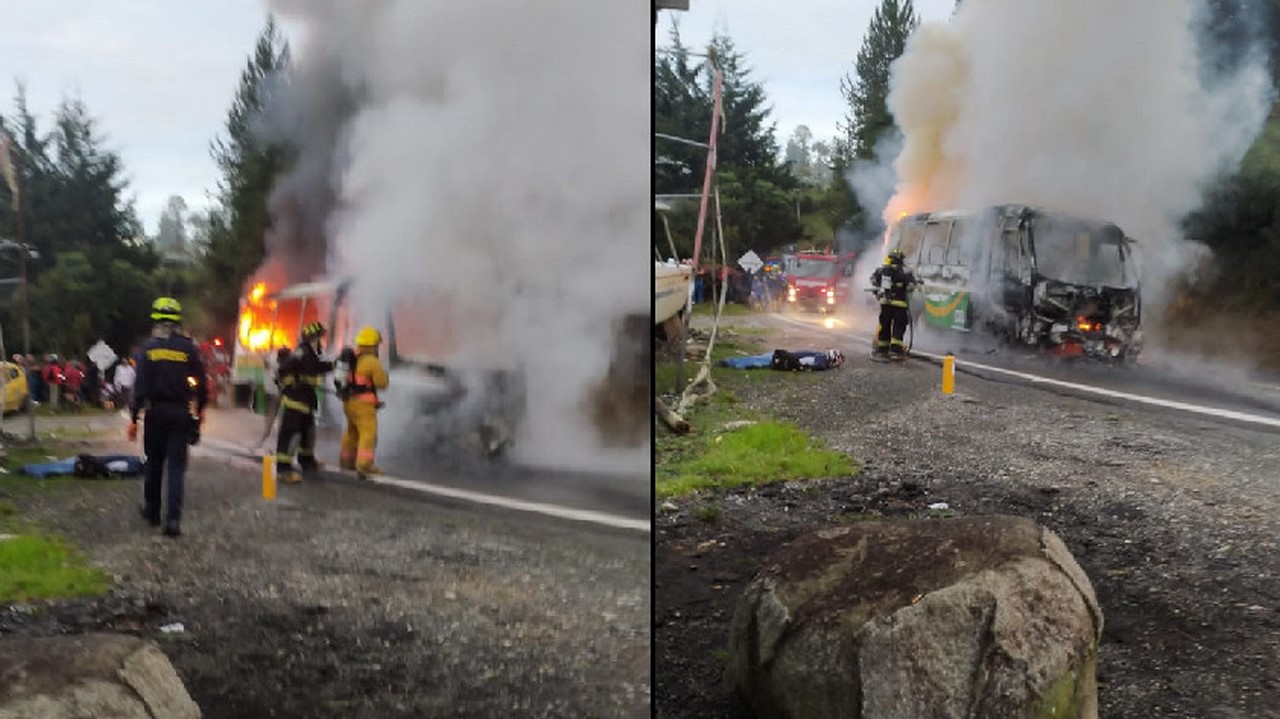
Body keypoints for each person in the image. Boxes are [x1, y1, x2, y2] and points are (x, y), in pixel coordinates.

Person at [128, 297, 207, 538]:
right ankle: (172, 521)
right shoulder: (188, 347)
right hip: (180, 413)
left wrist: (133, 417)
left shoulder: (148, 348)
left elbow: (140, 386)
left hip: (155, 413)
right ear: (177, 319)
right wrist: (201, 407)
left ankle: (152, 511)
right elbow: (201, 382)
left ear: (155, 318)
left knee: (153, 464)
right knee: (175, 468)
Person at [274, 321, 335, 483]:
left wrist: (333, 365)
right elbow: (283, 369)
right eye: (319, 337)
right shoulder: (302, 352)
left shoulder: (310, 354)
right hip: (296, 402)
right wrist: (290, 384)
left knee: (307, 434)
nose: (321, 341)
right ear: (313, 338)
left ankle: (307, 461)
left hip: (306, 401)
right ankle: (283, 470)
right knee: (290, 435)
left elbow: (315, 368)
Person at [339, 326, 389, 478]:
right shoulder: (371, 361)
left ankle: (346, 462)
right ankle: (364, 465)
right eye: (376, 346)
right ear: (372, 345)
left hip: (349, 402)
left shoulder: (352, 357)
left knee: (351, 432)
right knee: (368, 433)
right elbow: (382, 383)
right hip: (364, 406)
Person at [869, 249, 920, 361]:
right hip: (900, 305)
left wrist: (880, 290)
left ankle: (882, 350)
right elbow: (911, 286)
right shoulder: (906, 271)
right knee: (898, 327)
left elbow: (873, 280)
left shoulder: (882, 270)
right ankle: (895, 351)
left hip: (885, 304)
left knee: (885, 326)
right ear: (901, 259)